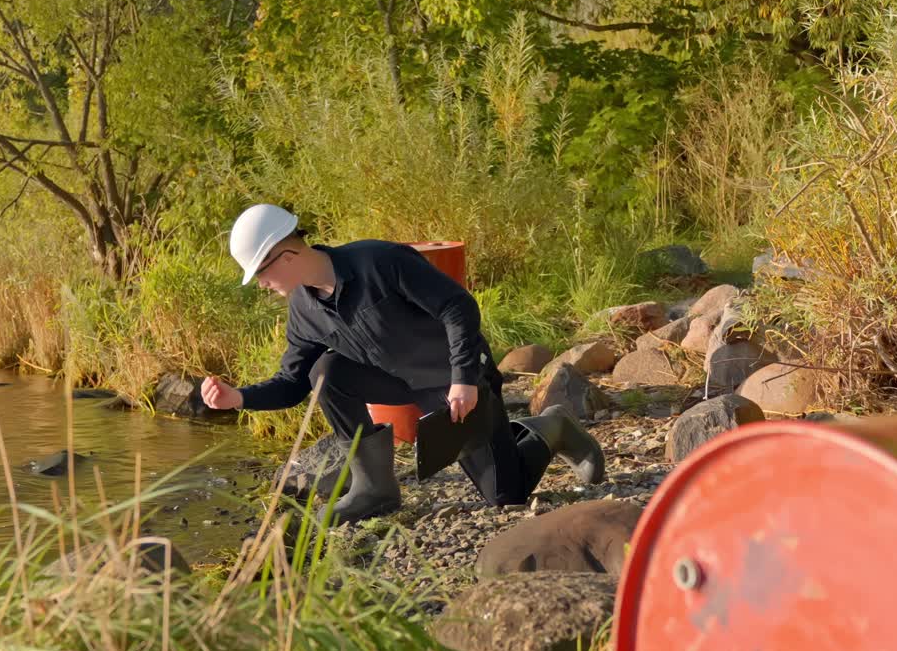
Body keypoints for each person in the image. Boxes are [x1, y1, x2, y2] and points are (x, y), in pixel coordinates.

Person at [201, 203, 605, 525]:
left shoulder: (378, 261)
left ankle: (551, 427)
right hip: (398, 385)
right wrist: (238, 398)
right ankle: (374, 489)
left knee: (505, 496)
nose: (260, 283)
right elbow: (292, 384)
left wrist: (463, 378)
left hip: (458, 381)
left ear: (285, 255)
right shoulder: (303, 311)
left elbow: (457, 306)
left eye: (260, 271)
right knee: (325, 372)